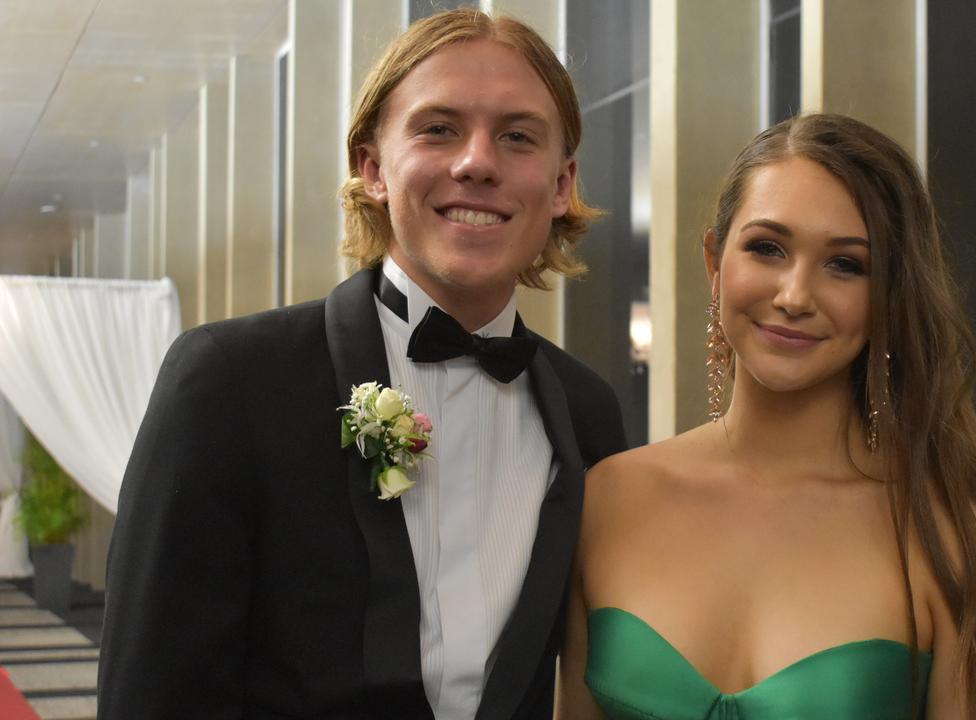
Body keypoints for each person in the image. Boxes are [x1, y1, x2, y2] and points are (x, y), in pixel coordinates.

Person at [98, 9, 627, 719]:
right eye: (438, 128)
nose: (477, 161)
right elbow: (152, 692)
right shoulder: (229, 381)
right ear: (372, 167)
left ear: (561, 185)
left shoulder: (587, 414)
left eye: (517, 137)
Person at [557, 114, 976, 719]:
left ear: (890, 291)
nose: (794, 295)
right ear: (714, 260)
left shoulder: (961, 544)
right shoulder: (610, 498)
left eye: (846, 264)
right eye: (767, 248)